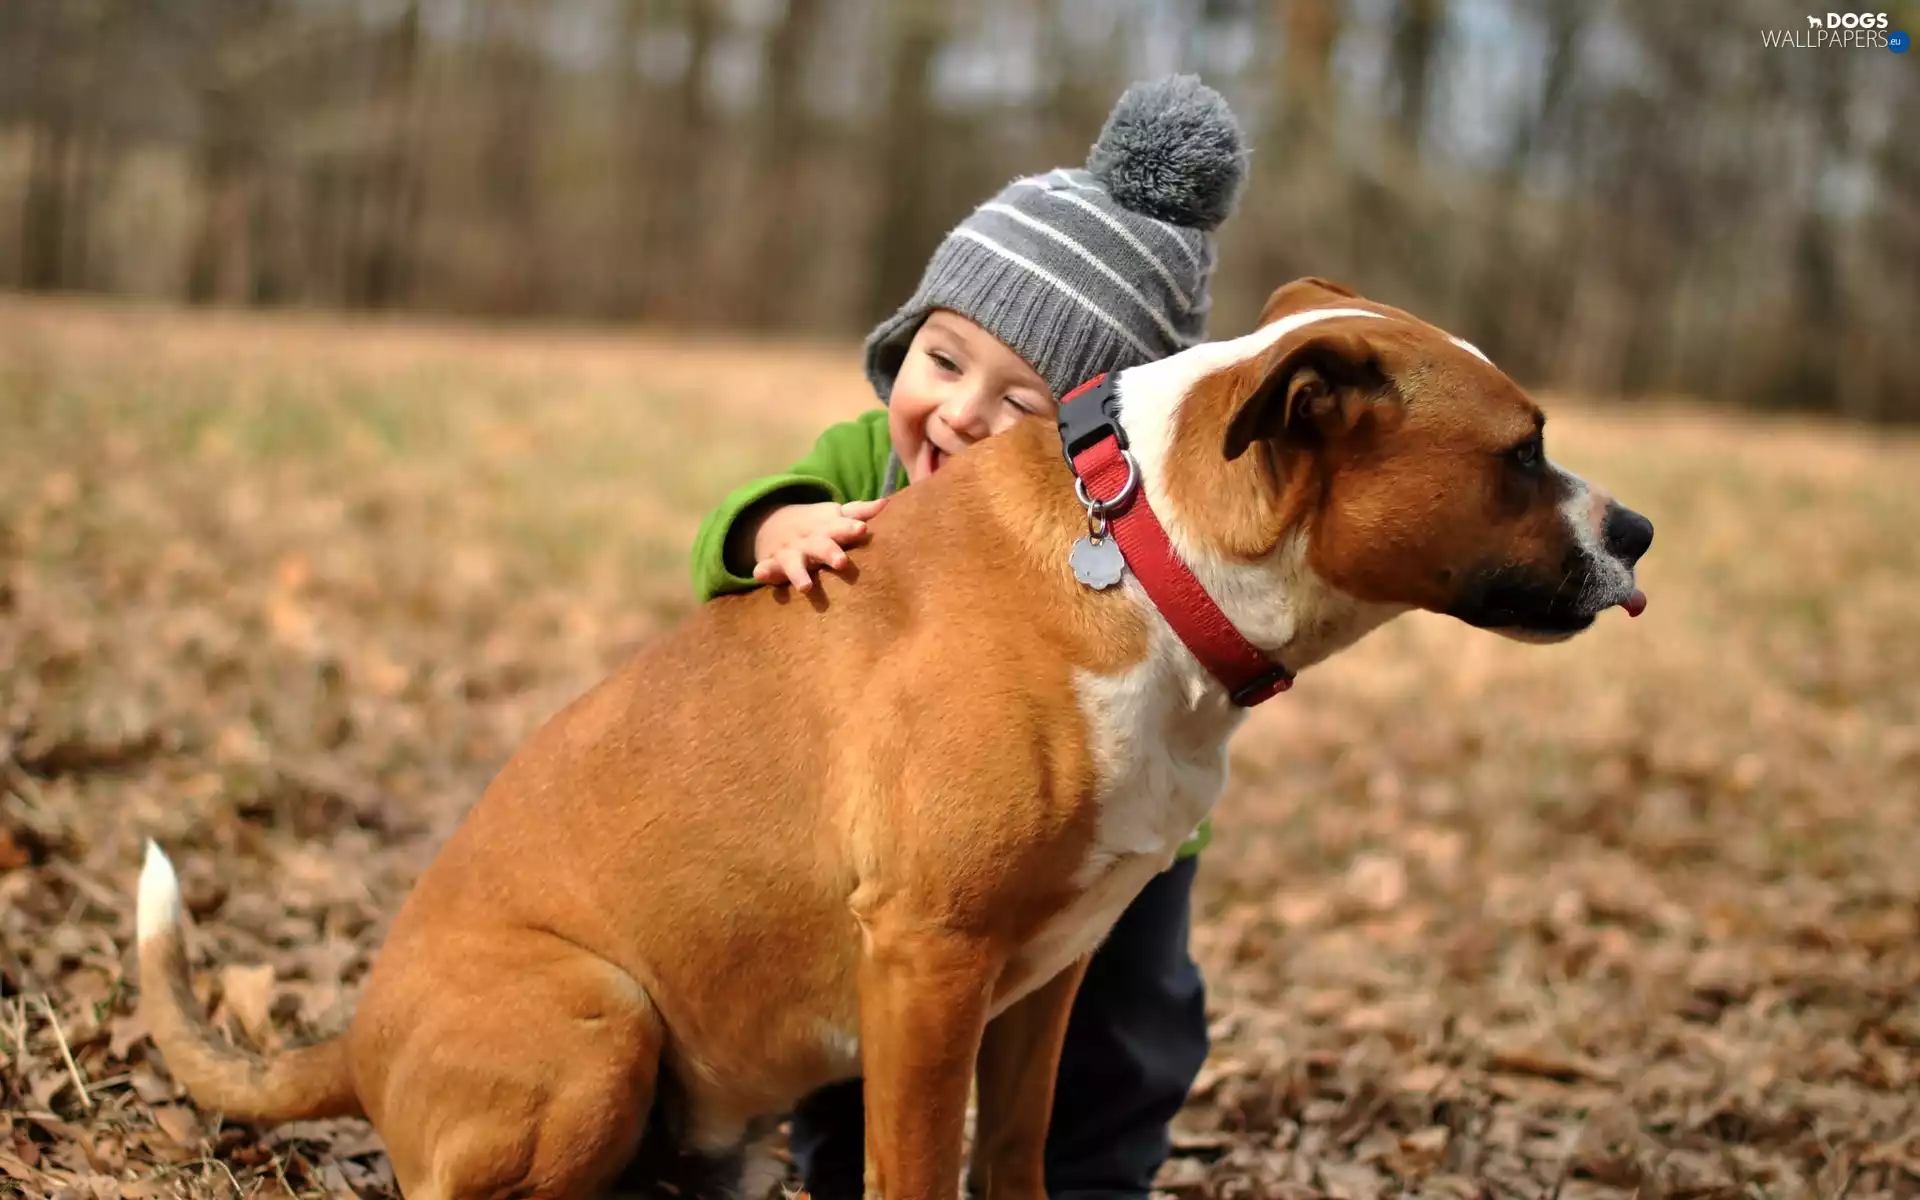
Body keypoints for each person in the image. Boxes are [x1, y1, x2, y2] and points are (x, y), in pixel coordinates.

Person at [688, 74, 1248, 1200]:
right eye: (943, 362)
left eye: (1024, 404)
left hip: (1107, 832)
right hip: (883, 834)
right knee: (879, 1014)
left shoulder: (1116, 535)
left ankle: (1088, 1182)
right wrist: (774, 526)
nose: (959, 413)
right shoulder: (865, 467)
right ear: (905, 344)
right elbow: (724, 543)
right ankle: (856, 1172)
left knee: (1129, 1030)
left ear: (1093, 440)